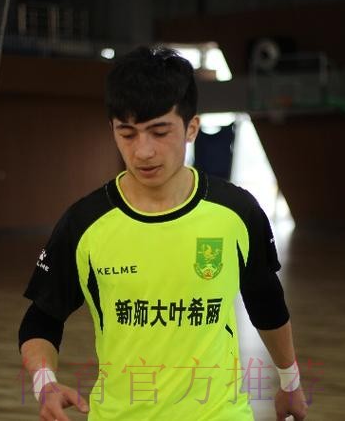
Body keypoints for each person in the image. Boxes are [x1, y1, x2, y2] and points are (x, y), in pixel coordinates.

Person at [18, 46, 308, 420]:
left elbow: (266, 302)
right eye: (127, 134)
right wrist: (45, 384)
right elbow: (42, 319)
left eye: (159, 132)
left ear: (191, 128)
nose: (143, 151)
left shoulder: (237, 211)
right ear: (112, 130)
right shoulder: (85, 222)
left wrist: (290, 382)